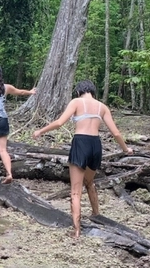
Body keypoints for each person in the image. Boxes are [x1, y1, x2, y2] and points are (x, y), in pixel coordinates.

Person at [32, 80, 133, 239]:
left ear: (79, 91)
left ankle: (77, 230)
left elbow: (59, 122)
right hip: (95, 146)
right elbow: (116, 133)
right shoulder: (102, 107)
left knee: (75, 191)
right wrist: (126, 149)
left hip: (81, 142)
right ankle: (95, 213)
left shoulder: (76, 102)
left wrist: (40, 131)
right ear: (93, 92)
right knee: (89, 182)